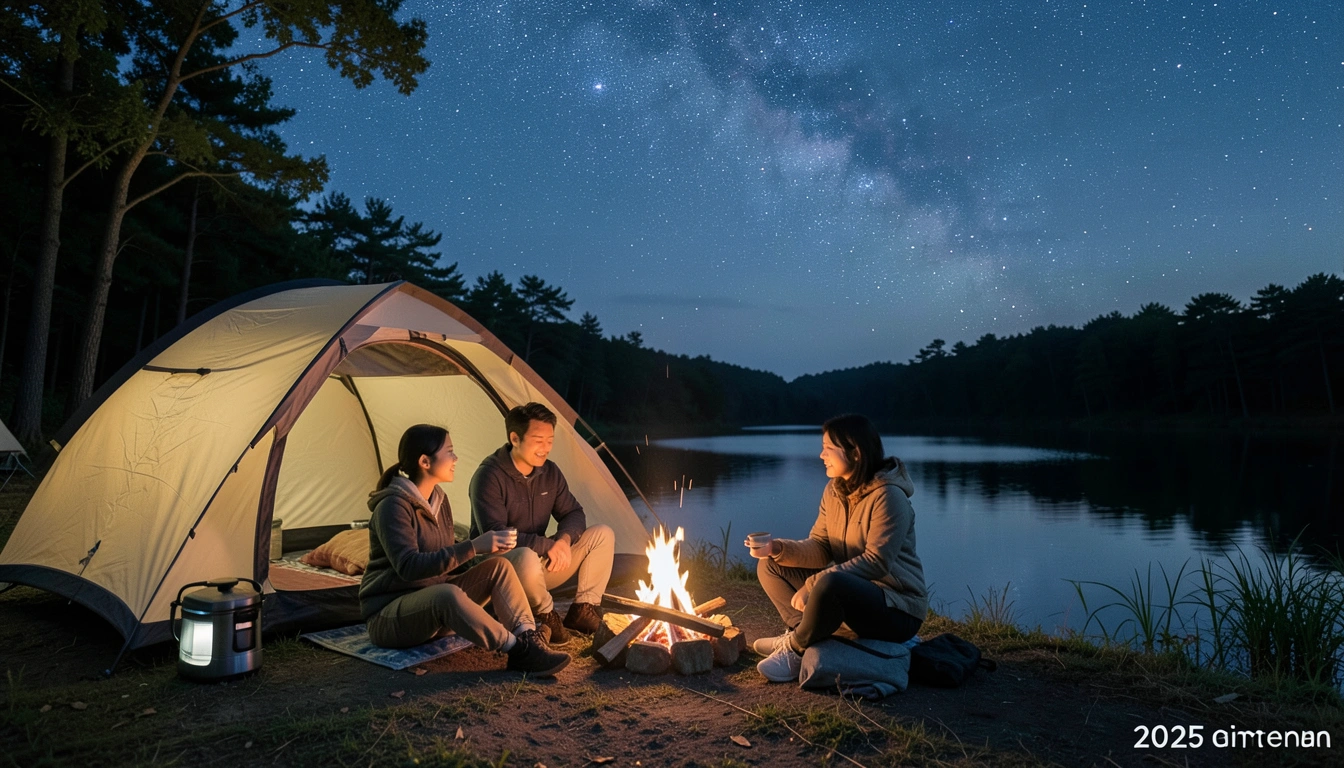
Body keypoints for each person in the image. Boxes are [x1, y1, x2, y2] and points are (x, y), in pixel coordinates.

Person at [360, 423, 571, 676]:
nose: (455, 458)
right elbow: (409, 567)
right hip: (390, 616)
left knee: (499, 567)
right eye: (449, 452)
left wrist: (484, 551)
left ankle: (528, 637)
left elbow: (446, 559)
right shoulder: (392, 507)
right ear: (425, 462)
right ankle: (516, 649)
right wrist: (472, 546)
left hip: (432, 607)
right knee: (447, 594)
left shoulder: (439, 501)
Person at [747, 414, 927, 683]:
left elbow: (877, 562)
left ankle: (796, 650)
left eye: (828, 448)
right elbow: (821, 546)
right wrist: (777, 548)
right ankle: (803, 635)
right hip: (854, 595)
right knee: (771, 566)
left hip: (897, 608)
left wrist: (813, 585)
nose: (821, 455)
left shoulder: (889, 497)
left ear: (855, 452)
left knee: (831, 583)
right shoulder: (835, 491)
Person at [469, 402, 615, 641]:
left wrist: (563, 540)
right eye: (538, 440)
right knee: (526, 556)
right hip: (500, 572)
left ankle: (583, 609)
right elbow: (497, 535)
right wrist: (548, 545)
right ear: (515, 438)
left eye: (550, 440)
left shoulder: (550, 472)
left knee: (602, 534)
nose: (545, 448)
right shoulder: (488, 476)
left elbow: (573, 513)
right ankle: (546, 615)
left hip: (537, 568)